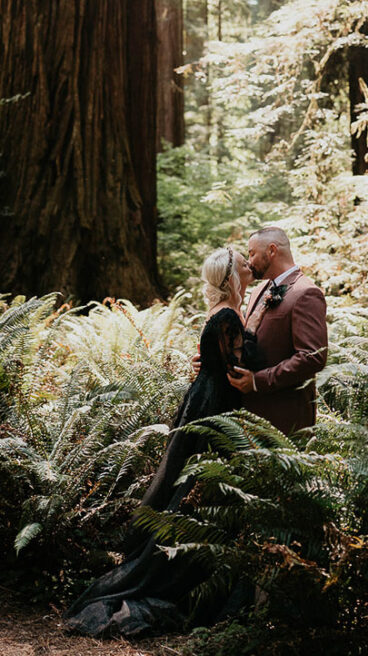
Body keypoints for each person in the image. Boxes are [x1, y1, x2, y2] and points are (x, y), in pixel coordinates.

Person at [64, 246, 254, 638]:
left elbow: (214, 360)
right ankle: (184, 573)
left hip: (204, 399)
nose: (251, 266)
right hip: (216, 406)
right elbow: (235, 368)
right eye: (244, 262)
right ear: (234, 275)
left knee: (192, 487)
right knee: (198, 488)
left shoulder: (224, 313)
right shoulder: (230, 316)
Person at [227, 225, 327, 434]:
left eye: (252, 253)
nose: (249, 261)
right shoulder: (258, 291)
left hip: (285, 418)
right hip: (250, 416)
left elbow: (312, 357)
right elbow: (246, 341)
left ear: (272, 251)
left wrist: (257, 381)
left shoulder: (306, 293)